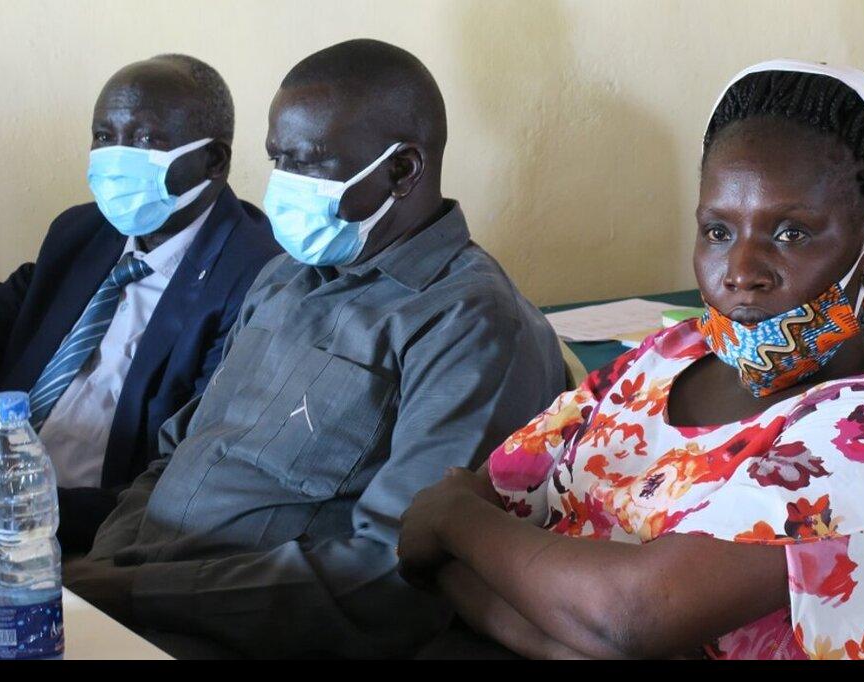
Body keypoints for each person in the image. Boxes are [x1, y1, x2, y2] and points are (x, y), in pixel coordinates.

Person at [63, 39, 567, 659]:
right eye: (277, 159)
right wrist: (102, 574)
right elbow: (176, 455)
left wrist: (129, 592)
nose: (281, 186)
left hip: (257, 633)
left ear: (402, 170)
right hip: (133, 596)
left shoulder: (470, 325)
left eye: (306, 164)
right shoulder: (285, 277)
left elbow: (391, 573)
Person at [398, 59, 864, 660]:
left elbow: (632, 615)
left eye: (790, 233)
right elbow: (456, 528)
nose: (740, 272)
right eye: (718, 231)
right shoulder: (667, 355)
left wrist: (456, 522)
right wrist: (570, 633)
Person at [0, 54, 281, 552]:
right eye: (103, 136)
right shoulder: (82, 232)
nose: (116, 157)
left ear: (214, 161)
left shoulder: (256, 278)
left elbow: (189, 476)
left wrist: (11, 508)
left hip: (102, 543)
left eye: (144, 139)